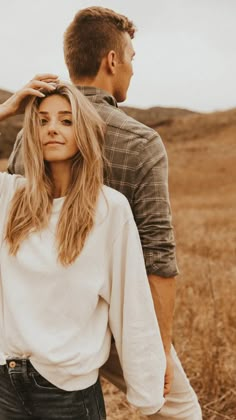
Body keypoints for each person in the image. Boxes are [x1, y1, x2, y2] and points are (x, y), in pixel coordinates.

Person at [7, 6, 202, 420]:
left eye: (63, 120)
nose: (132, 68)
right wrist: (159, 349)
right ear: (112, 60)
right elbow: (158, 256)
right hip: (101, 330)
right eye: (131, 57)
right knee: (182, 411)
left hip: (49, 334)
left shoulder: (29, 137)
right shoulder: (141, 141)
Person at [0, 77, 167, 419]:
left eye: (66, 120)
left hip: (67, 394)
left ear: (84, 131)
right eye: (42, 120)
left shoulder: (109, 209)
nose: (52, 129)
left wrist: (147, 383)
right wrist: (6, 109)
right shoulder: (10, 197)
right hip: (5, 384)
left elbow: (130, 303)